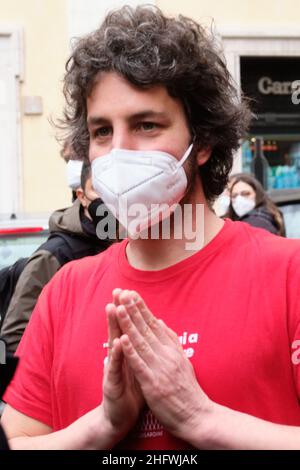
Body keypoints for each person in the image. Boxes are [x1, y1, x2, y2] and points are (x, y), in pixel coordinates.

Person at [2, 5, 300, 450]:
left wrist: (203, 419)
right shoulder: (63, 292)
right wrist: (101, 426)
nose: (119, 152)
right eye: (101, 131)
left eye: (146, 125)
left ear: (202, 143)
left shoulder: (288, 274)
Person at [0, 162, 114, 354]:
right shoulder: (54, 255)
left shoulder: (121, 244)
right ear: (81, 196)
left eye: (111, 190)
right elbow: (15, 337)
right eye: (98, 189)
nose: (106, 199)